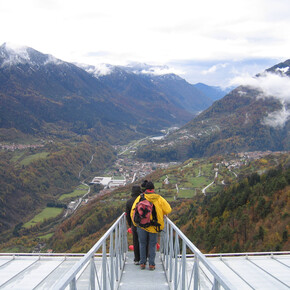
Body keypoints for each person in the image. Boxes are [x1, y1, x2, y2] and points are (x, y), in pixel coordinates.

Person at [131, 181, 172, 270]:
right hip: (154, 226)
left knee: (142, 243)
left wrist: (135, 224)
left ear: (146, 190)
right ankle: (152, 264)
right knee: (152, 245)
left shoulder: (140, 198)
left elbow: (133, 212)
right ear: (153, 189)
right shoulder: (159, 198)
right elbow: (168, 209)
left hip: (142, 226)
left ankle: (142, 263)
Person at [126, 185, 142, 264]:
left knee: (135, 241)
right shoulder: (142, 199)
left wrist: (130, 225)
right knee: (143, 241)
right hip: (143, 224)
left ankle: (137, 259)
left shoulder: (129, 202)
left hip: (134, 224)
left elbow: (128, 215)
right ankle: (144, 258)